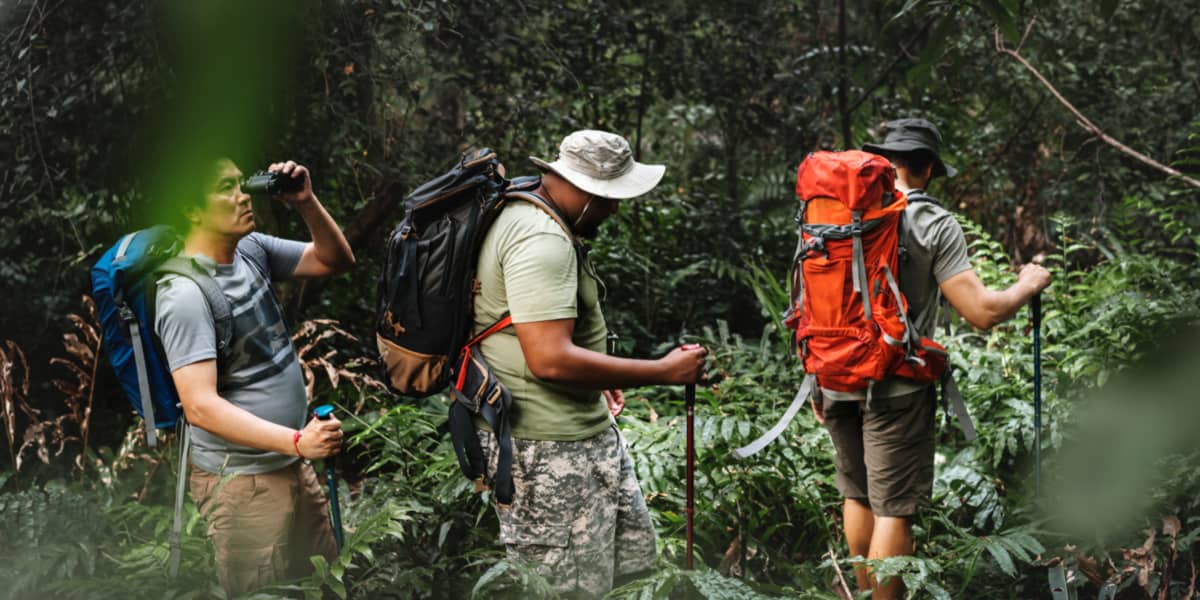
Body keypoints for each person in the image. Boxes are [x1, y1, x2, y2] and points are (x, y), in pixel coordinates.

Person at [810, 118, 1052, 599]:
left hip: (832, 372)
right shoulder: (932, 222)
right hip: (896, 383)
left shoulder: (831, 210)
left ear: (884, 160)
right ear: (926, 169)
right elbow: (981, 313)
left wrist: (819, 375)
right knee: (893, 508)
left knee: (855, 493)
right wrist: (1027, 284)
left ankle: (861, 594)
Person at [472, 130, 709, 597]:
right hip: (547, 449)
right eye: (609, 198)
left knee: (628, 574)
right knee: (571, 590)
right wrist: (661, 373)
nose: (614, 209)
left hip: (582, 437)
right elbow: (549, 359)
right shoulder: (543, 240)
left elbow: (533, 332)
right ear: (583, 189)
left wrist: (599, 372)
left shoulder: (527, 214)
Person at [155, 158, 356, 596]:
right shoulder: (184, 295)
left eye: (241, 184)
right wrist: (298, 441)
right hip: (242, 482)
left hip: (290, 461)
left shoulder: (251, 249)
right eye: (225, 188)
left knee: (323, 585)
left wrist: (305, 202)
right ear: (191, 210)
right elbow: (200, 406)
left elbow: (335, 260)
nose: (243, 195)